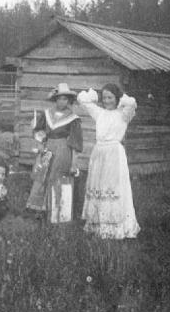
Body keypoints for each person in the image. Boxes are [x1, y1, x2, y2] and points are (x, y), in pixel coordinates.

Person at [77, 83, 140, 239]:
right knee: (99, 186)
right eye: (104, 97)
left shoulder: (123, 114)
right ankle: (98, 224)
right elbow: (82, 100)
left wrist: (121, 98)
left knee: (112, 187)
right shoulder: (99, 113)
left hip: (114, 154)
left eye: (110, 97)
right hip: (99, 153)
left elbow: (131, 103)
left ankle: (115, 227)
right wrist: (93, 96)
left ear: (117, 98)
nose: (106, 101)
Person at [25, 83, 83, 223]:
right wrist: (40, 145)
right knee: (42, 175)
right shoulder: (47, 114)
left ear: (69, 101)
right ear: (55, 99)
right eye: (59, 98)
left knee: (57, 176)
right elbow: (39, 131)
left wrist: (74, 162)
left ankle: (57, 211)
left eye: (65, 99)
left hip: (63, 149)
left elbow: (75, 142)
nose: (62, 102)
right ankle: (40, 210)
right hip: (48, 147)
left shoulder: (73, 118)